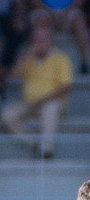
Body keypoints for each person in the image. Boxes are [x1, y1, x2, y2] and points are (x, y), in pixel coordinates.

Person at [0, 25, 70, 158]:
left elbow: (65, 87)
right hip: (30, 103)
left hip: (52, 101)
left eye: (42, 39)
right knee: (6, 116)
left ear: (50, 41)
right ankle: (34, 144)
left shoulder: (61, 57)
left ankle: (47, 150)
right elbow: (14, 75)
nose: (39, 43)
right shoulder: (28, 57)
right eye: (36, 40)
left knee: (50, 109)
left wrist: (43, 100)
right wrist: (28, 56)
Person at [32, 0, 89, 73]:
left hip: (70, 10)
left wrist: (65, 13)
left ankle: (84, 63)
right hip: (44, 10)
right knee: (41, 21)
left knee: (80, 23)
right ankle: (42, 62)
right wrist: (51, 13)